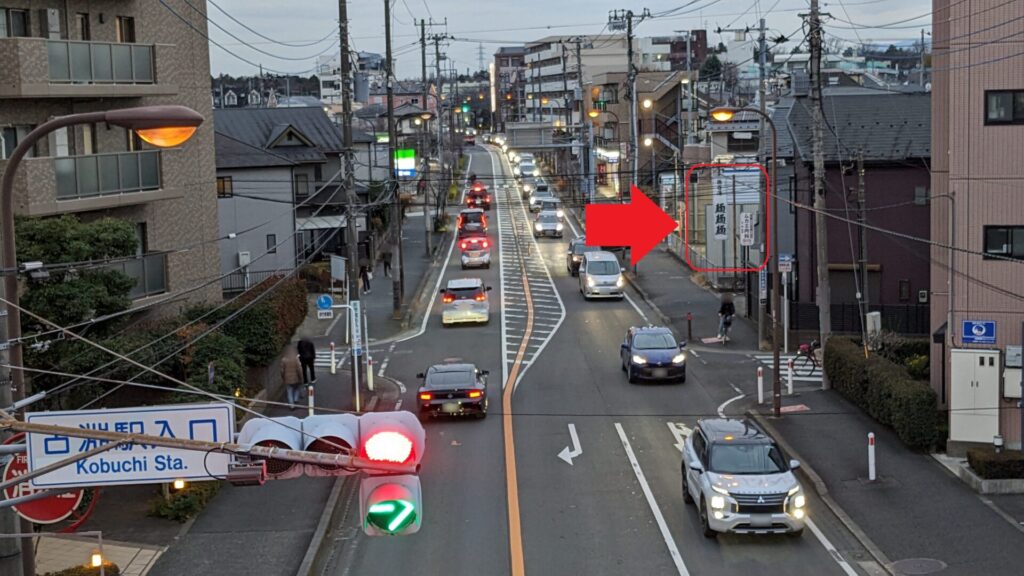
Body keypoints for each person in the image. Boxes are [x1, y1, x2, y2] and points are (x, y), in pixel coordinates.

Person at [280, 345, 303, 410]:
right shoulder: (295, 359)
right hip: (296, 378)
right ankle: (295, 398)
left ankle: (291, 405)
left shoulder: (283, 359)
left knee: (289, 391)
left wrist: (283, 377)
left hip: (287, 379)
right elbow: (299, 369)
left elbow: (282, 370)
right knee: (297, 388)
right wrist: (301, 378)